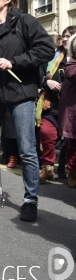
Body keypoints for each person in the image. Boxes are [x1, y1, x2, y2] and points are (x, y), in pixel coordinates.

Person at [0, 0, 54, 223]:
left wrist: (14, 62)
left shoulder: (25, 22)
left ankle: (30, 200)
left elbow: (46, 49)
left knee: (27, 150)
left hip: (21, 93)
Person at [37, 26, 75, 181]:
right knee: (47, 133)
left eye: (69, 36)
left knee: (71, 141)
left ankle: (71, 172)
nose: (65, 39)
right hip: (52, 105)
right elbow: (39, 75)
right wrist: (47, 82)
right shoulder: (52, 56)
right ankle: (48, 167)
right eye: (64, 36)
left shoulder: (72, 60)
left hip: (70, 107)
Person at [58, 33, 76, 188]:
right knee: (72, 145)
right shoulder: (71, 63)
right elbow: (71, 73)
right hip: (72, 113)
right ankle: (72, 172)